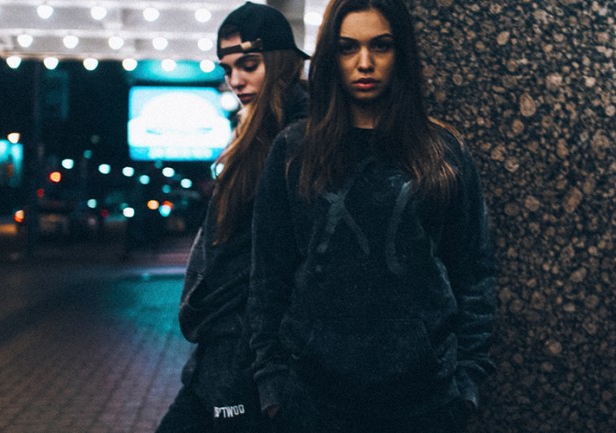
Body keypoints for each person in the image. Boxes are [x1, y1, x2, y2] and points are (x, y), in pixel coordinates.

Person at [247, 0, 497, 432]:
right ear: (331, 56)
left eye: (381, 46)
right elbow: (268, 274)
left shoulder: (442, 151)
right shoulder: (294, 150)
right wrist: (273, 383)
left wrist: (467, 380)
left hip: (425, 397)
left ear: (401, 53)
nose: (365, 63)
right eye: (348, 47)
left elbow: (473, 270)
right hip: (313, 398)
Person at [155, 2, 309, 432]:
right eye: (227, 69)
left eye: (249, 64)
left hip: (248, 359)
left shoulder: (297, 139)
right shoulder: (258, 134)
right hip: (221, 354)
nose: (235, 80)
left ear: (280, 62)